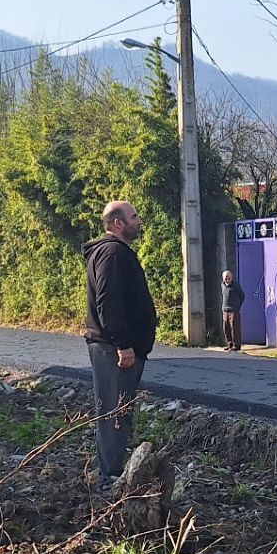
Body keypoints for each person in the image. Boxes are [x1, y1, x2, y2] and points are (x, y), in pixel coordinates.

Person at [83, 201, 156, 491]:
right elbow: (108, 302)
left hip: (118, 348)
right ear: (117, 224)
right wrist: (123, 345)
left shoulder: (114, 252)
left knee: (119, 413)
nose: (139, 221)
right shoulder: (112, 253)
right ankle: (108, 482)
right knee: (113, 414)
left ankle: (113, 475)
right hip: (114, 350)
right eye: (134, 216)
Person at [221, 269, 246, 351]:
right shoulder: (222, 285)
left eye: (229, 278)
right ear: (223, 278)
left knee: (234, 328)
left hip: (233, 310)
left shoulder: (236, 285)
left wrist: (237, 306)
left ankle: (236, 345)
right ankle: (230, 344)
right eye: (226, 278)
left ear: (231, 278)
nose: (227, 280)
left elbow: (242, 296)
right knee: (226, 327)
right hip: (225, 310)